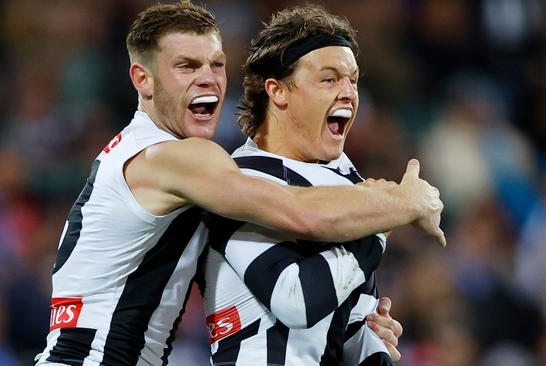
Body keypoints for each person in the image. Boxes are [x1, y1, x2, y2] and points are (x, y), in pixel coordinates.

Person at [34, 1, 444, 365]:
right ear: (142, 79)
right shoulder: (173, 158)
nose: (208, 79)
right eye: (186, 66)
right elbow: (299, 213)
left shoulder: (148, 155)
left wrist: (357, 328)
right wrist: (399, 204)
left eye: (216, 64)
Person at [202, 5, 421, 365]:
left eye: (353, 80)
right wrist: (383, 218)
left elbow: (349, 335)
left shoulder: (348, 191)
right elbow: (296, 300)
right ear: (278, 91)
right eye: (329, 79)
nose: (349, 92)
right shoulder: (235, 183)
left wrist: (372, 340)